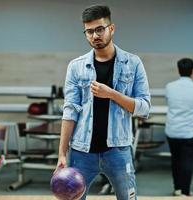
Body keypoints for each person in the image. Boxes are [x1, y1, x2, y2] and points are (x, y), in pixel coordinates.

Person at [55, 5, 151, 200]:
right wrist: (62, 154)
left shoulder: (133, 63)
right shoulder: (76, 67)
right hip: (82, 152)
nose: (94, 35)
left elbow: (144, 108)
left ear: (111, 29)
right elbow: (70, 111)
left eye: (99, 29)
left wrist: (112, 94)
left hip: (118, 150)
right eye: (89, 31)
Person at [165, 58, 193, 196]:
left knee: (175, 160)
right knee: (187, 162)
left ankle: (177, 189)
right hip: (190, 133)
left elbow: (169, 103)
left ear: (178, 70)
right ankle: (186, 192)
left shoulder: (169, 87)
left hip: (172, 131)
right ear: (192, 71)